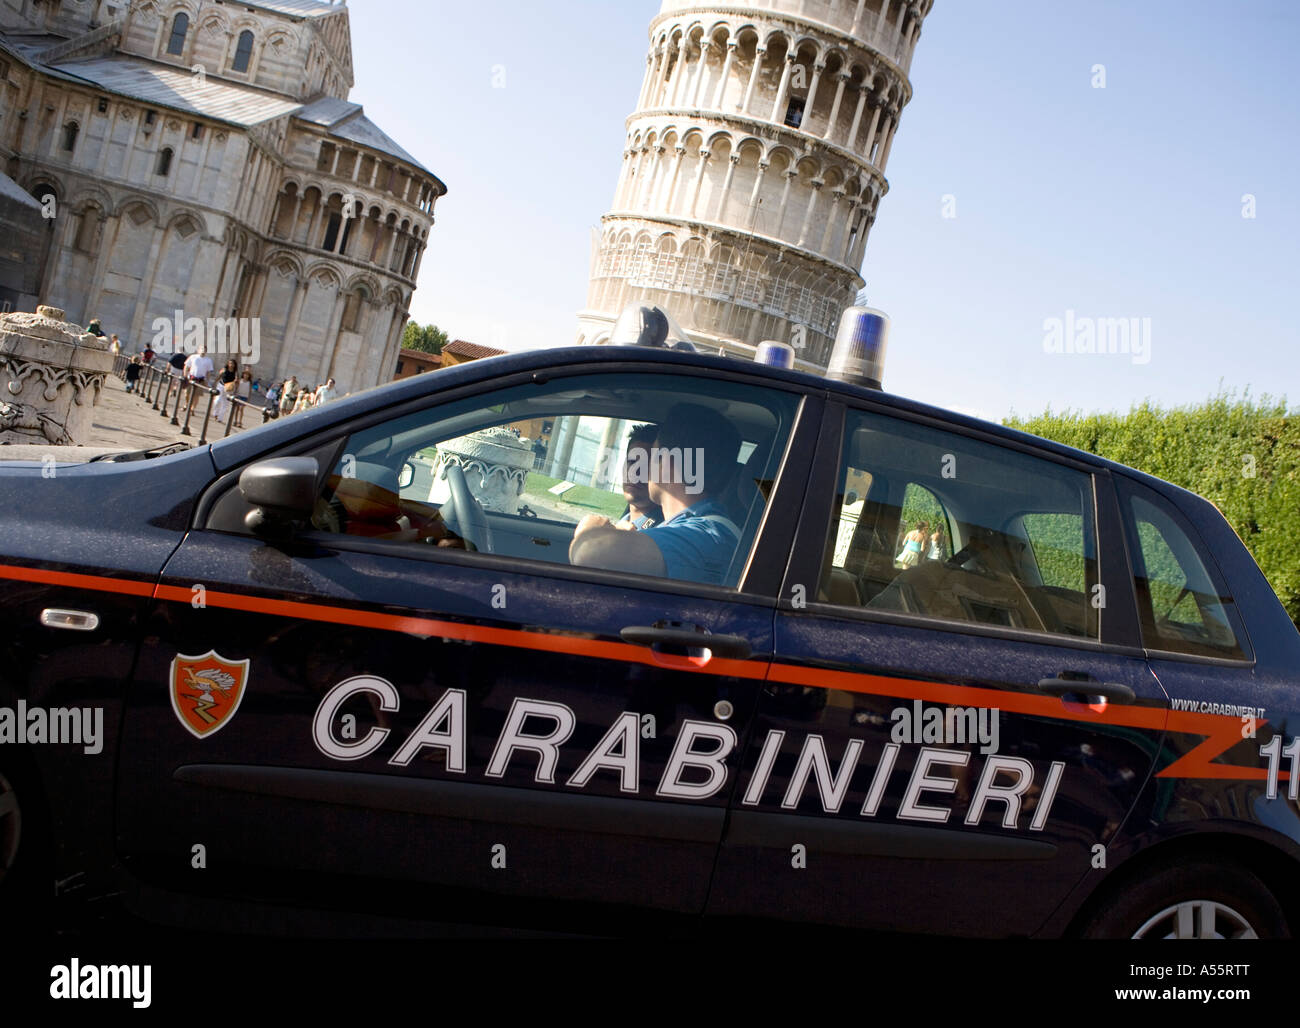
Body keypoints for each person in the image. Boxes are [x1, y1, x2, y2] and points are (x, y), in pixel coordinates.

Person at [569, 403, 742, 586]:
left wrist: (591, 529)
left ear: (667, 461)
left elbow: (590, 553)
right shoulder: (699, 528)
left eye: (652, 457)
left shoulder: (707, 534)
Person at [617, 422, 664, 529]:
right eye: (632, 462)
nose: (635, 473)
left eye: (646, 466)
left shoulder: (662, 532)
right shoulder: (622, 522)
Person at [183, 345, 214, 413]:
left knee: (196, 395)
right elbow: (186, 366)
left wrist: (207, 381)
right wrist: (185, 375)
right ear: (198, 350)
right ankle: (187, 404)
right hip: (191, 377)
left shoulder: (208, 360)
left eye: (204, 349)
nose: (203, 351)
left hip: (200, 379)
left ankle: (192, 408)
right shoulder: (193, 357)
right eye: (201, 349)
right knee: (186, 393)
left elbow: (208, 372)